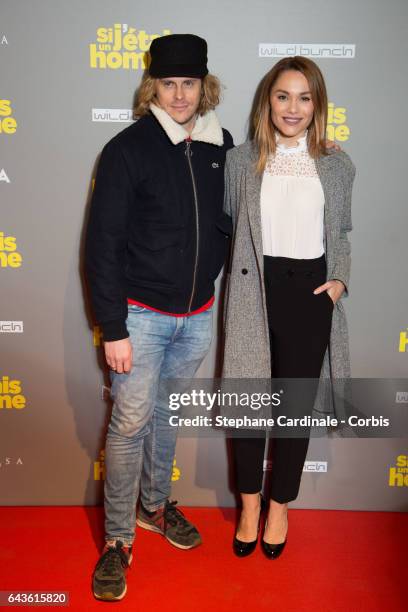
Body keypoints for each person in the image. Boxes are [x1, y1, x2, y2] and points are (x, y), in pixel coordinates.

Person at [85, 34, 233, 600]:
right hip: (140, 318)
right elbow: (102, 244)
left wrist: (322, 151)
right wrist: (113, 326)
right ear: (154, 86)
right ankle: (118, 540)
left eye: (189, 84)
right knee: (128, 426)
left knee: (167, 418)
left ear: (204, 86)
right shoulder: (127, 149)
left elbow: (264, 184)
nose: (179, 95)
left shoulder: (222, 145)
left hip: (197, 315)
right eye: (168, 84)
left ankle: (154, 506)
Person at [222, 56, 355, 559]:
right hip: (255, 288)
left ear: (317, 104)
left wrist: (339, 278)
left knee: (293, 412)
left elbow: (340, 230)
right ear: (268, 101)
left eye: (304, 97)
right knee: (250, 406)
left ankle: (280, 506)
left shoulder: (338, 164)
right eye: (283, 96)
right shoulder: (241, 160)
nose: (293, 108)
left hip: (310, 295)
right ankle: (250, 505)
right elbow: (230, 224)